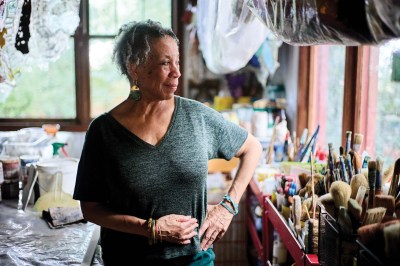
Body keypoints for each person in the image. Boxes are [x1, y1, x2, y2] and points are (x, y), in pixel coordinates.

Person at [73, 19, 262, 265]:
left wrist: (227, 207)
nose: (177, 72)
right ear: (135, 67)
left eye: (177, 62)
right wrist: (150, 228)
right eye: (165, 63)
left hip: (194, 259)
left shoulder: (197, 116)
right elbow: (90, 208)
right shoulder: (103, 131)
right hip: (128, 259)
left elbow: (252, 148)